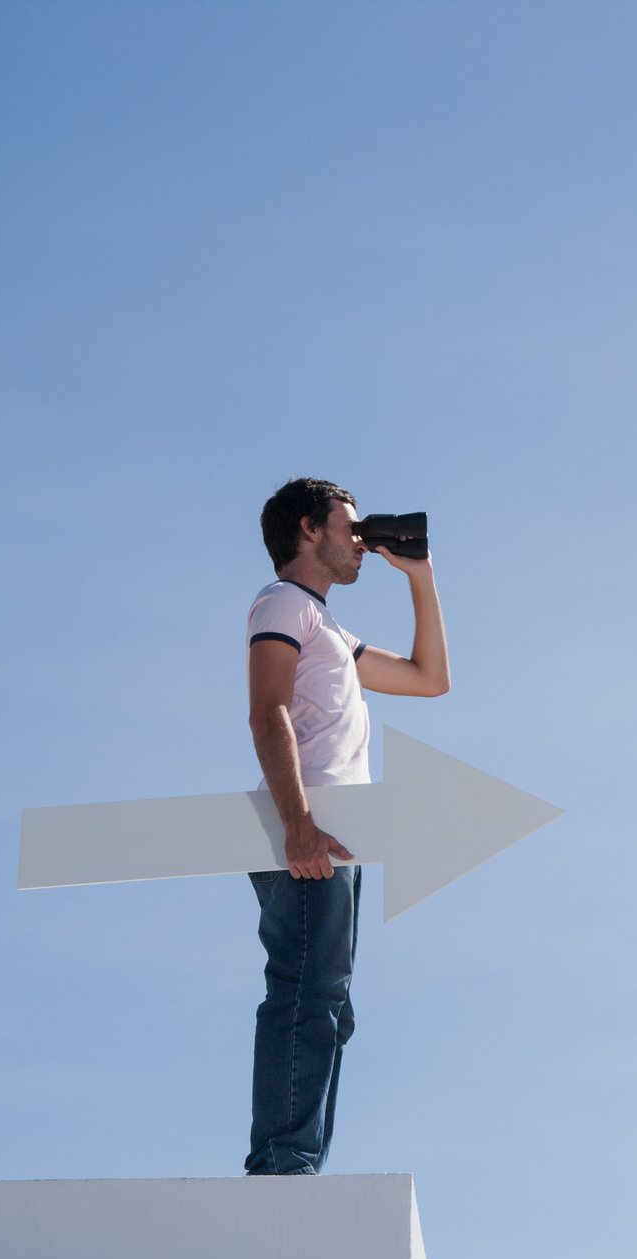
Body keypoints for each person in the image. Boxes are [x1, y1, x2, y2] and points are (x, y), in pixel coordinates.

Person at [242, 477, 449, 1176]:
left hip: (337, 836)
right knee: (306, 994)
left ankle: (292, 1163)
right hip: (311, 828)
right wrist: (298, 825)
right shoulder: (280, 603)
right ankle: (282, 1168)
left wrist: (417, 576)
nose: (360, 542)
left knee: (330, 1006)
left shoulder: (331, 629)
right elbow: (266, 710)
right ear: (309, 529)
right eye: (349, 527)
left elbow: (429, 679)